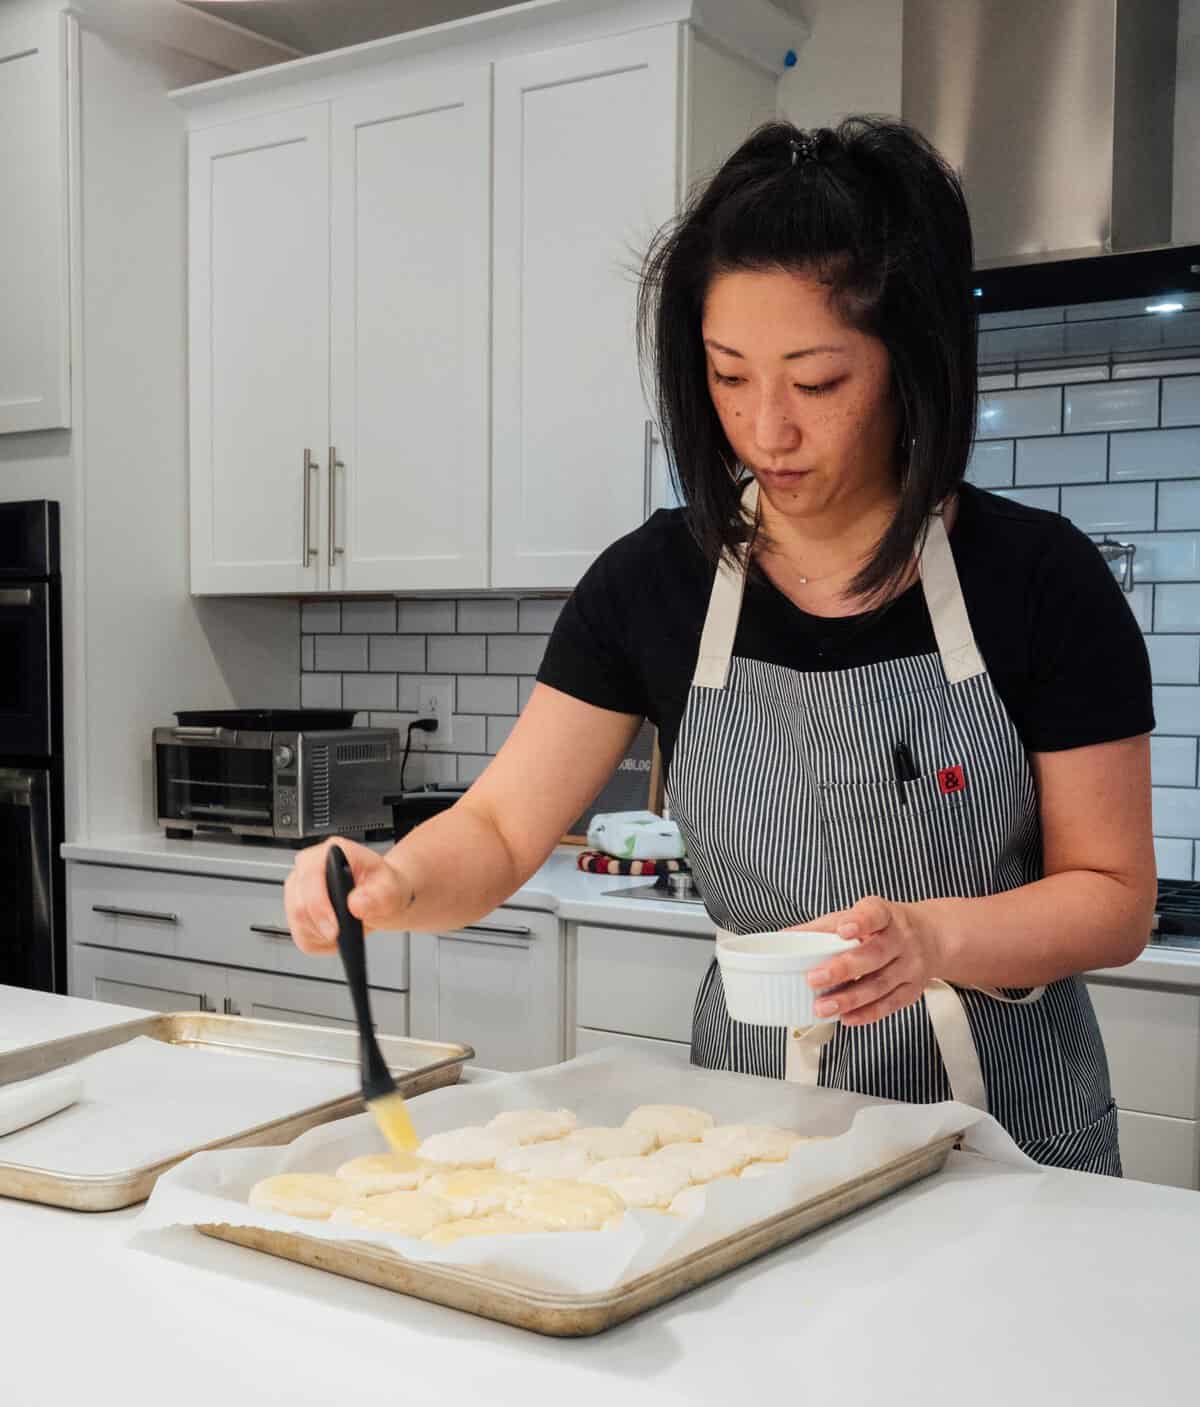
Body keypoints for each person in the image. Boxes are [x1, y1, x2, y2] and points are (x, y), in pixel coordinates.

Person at [284, 118, 1155, 1175]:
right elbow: (506, 830)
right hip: (750, 1139)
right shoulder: (653, 584)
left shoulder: (1038, 579)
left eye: (817, 382)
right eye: (729, 376)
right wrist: (396, 878)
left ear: (908, 364)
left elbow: (1113, 898)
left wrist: (931, 941)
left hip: (1015, 1147)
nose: (766, 429)